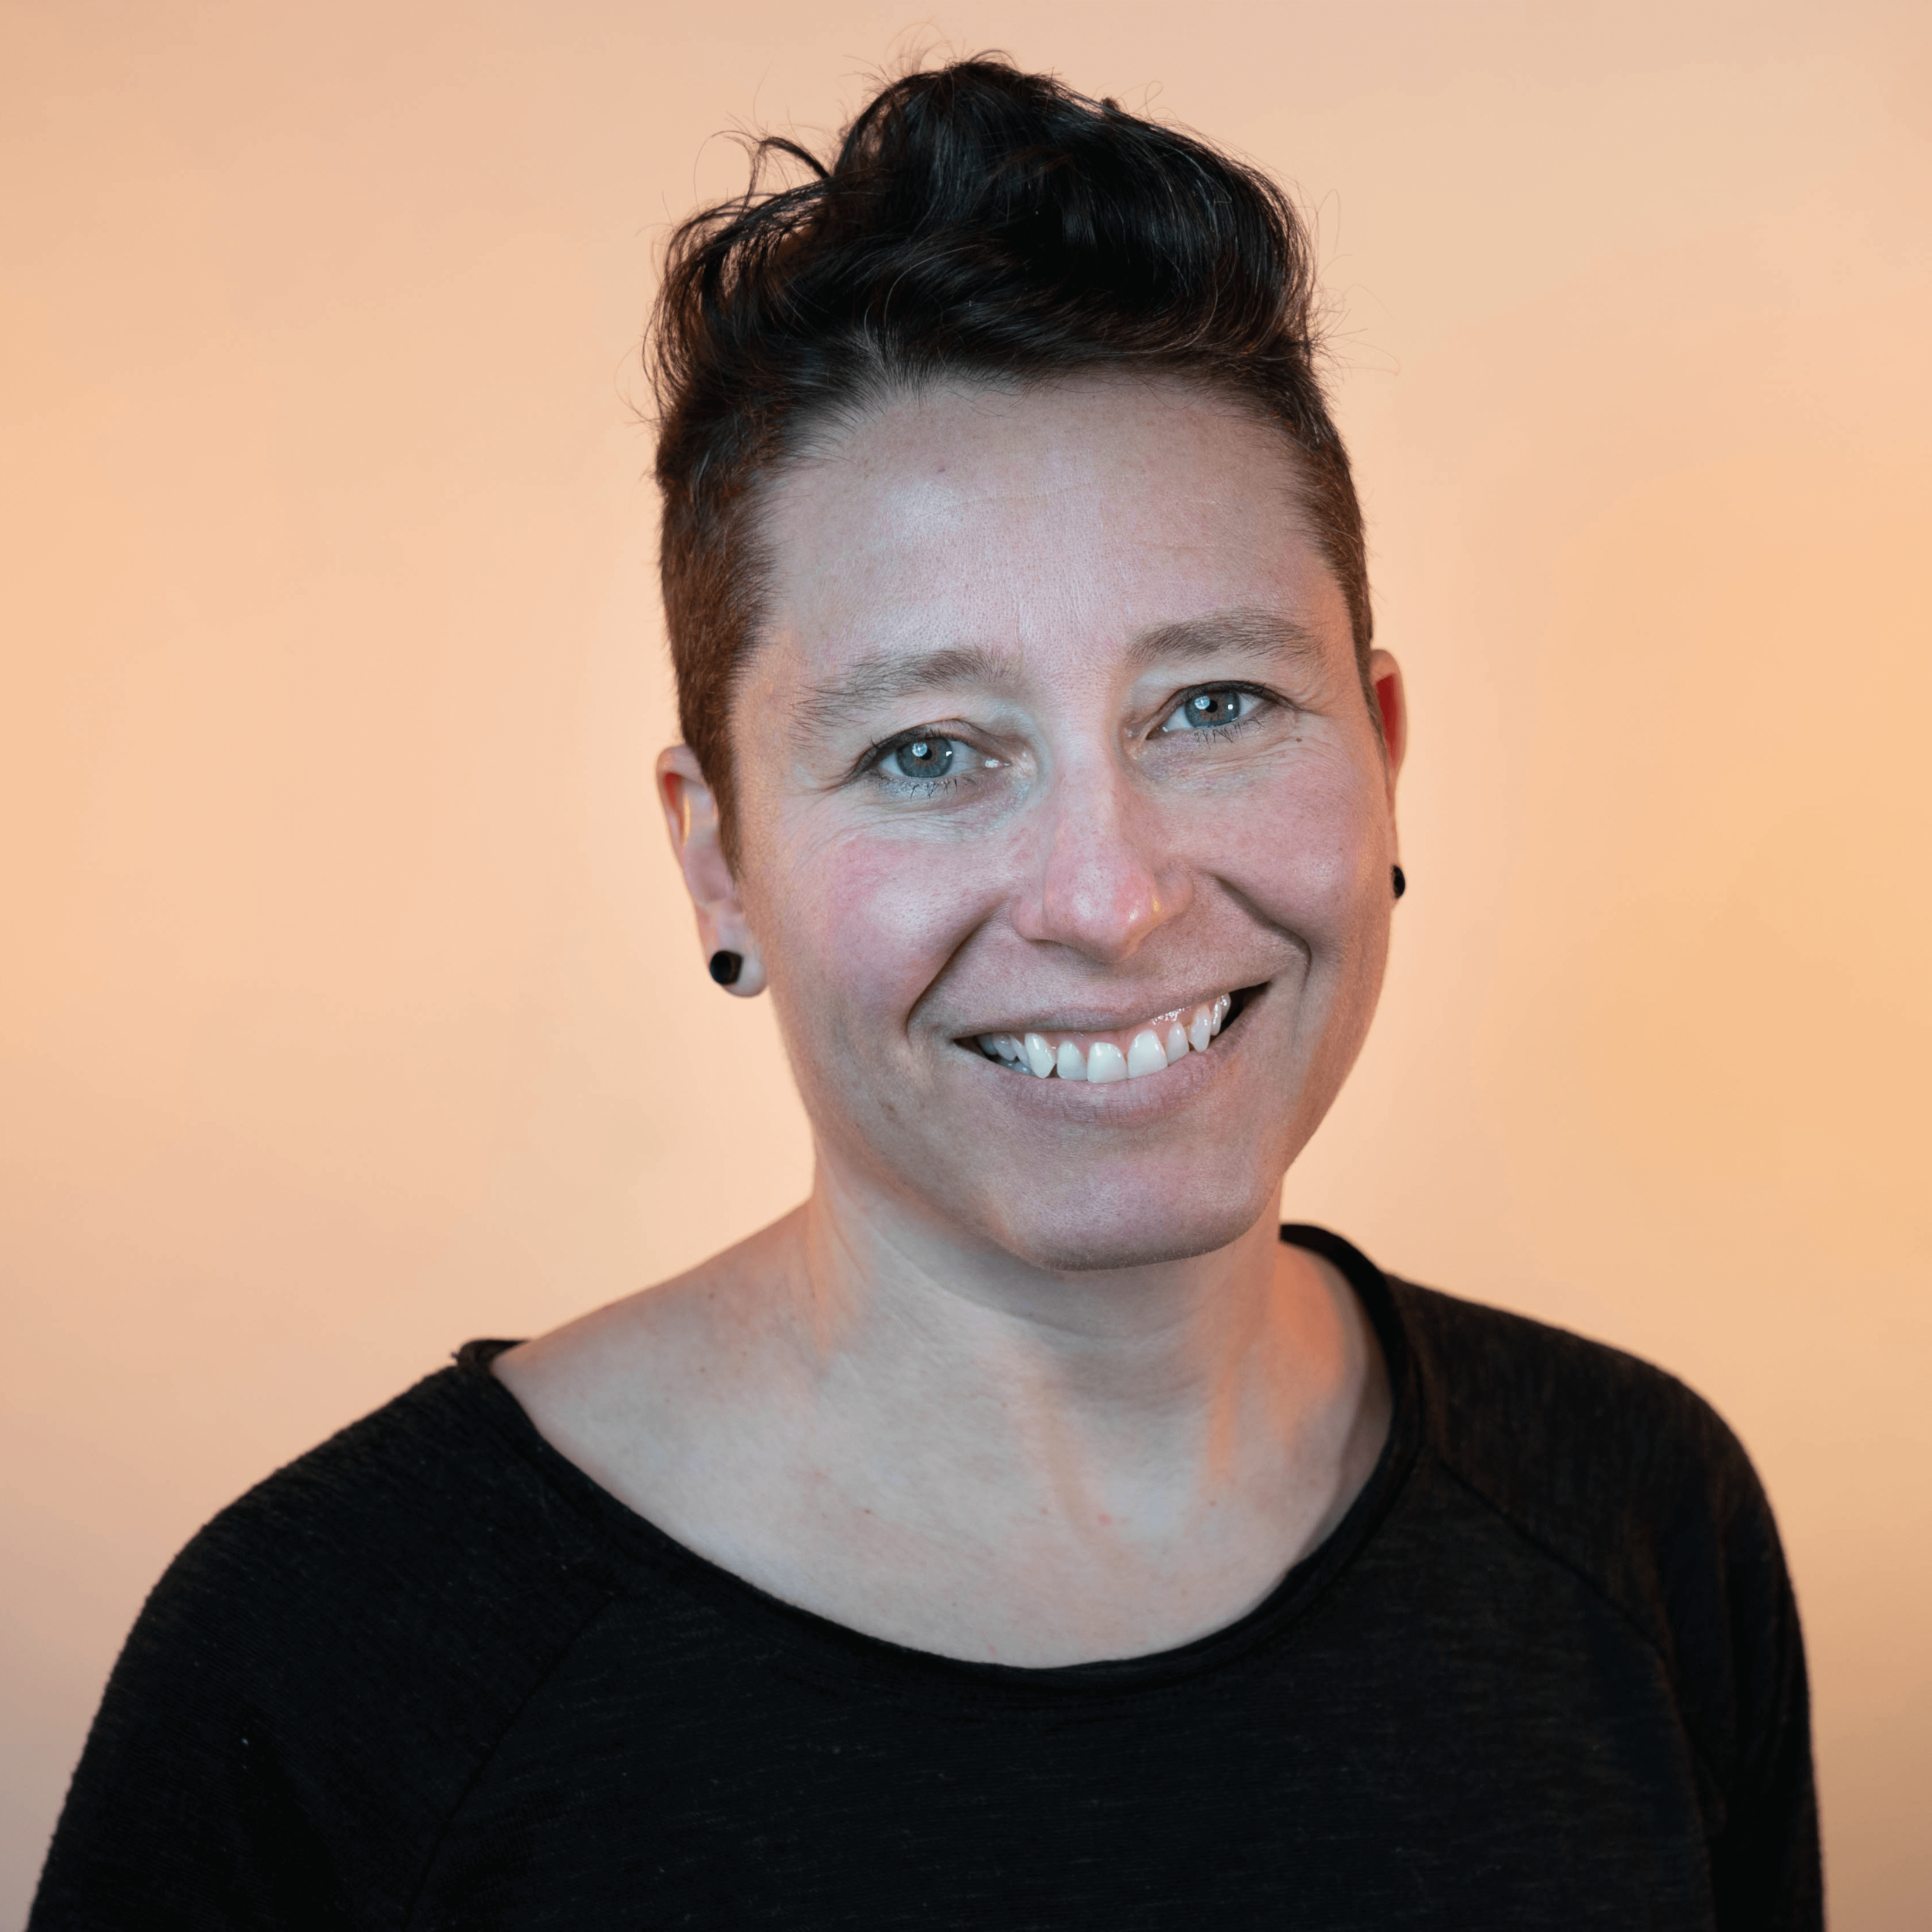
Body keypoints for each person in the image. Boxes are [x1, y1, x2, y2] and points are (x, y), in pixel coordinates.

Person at [31, 57, 1820, 1930]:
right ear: (714, 852)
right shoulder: (335, 1668)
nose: (1110, 899)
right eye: (925, 750)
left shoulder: (1638, 1516)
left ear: (1378, 749)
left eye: (1212, 706)